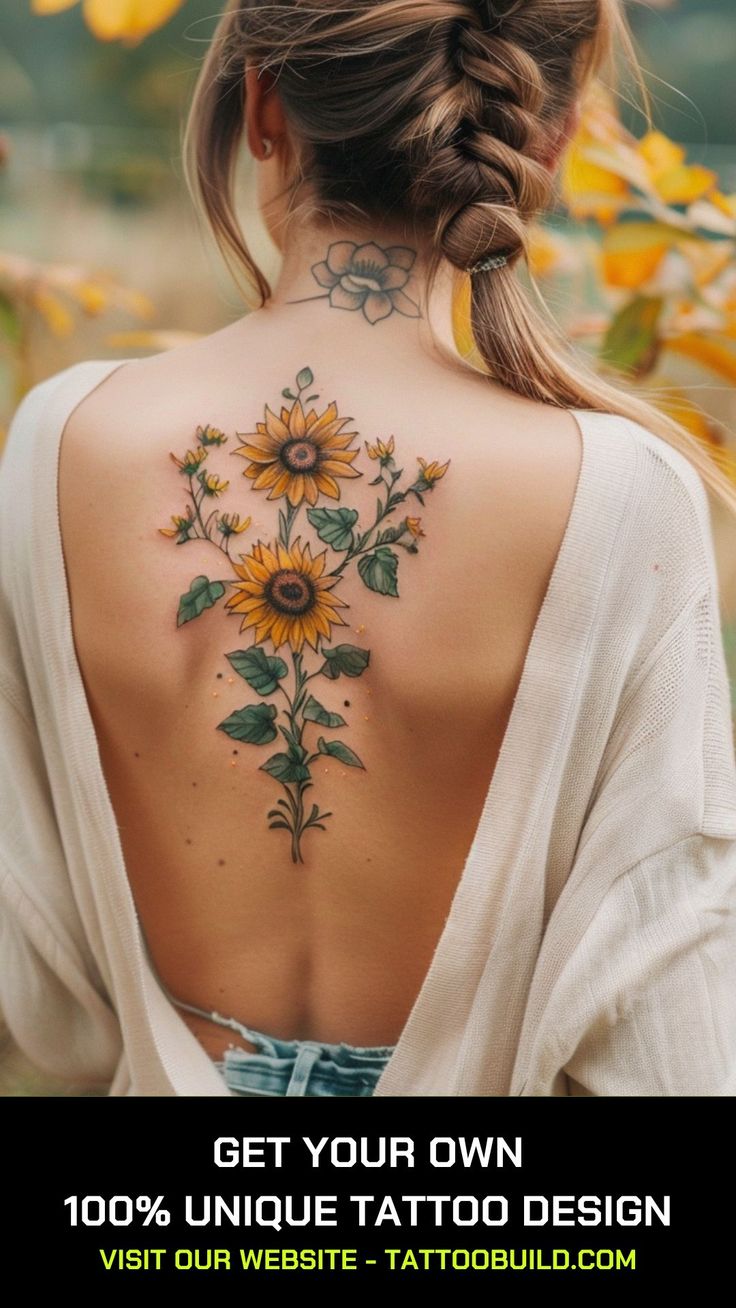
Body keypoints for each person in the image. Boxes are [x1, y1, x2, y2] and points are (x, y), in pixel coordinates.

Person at [1, 0, 736, 1099]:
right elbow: (664, 1015)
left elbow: (31, 966)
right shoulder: (623, 492)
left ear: (258, 106)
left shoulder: (61, 441)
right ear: (548, 138)